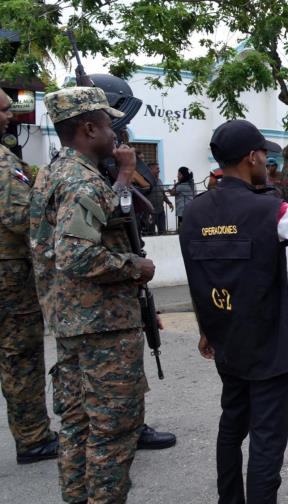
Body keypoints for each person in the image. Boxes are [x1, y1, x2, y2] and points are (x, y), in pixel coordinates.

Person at [180, 119, 288, 504]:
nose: (266, 161)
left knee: (232, 424)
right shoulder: (270, 210)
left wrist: (206, 328)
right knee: (266, 438)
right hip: (267, 344)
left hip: (224, 337)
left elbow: (199, 278)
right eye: (264, 154)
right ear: (251, 157)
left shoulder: (193, 213)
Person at [30, 87, 156, 503]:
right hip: (101, 326)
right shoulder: (81, 181)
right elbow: (78, 255)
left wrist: (122, 177)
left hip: (71, 322)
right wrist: (133, 268)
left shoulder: (55, 172)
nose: (116, 136)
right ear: (88, 129)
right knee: (113, 432)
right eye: (108, 127)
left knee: (77, 427)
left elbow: (109, 217)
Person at [0, 89, 59, 465]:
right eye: (4, 110)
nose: (9, 116)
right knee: (20, 358)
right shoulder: (3, 164)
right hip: (10, 278)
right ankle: (33, 438)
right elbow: (20, 217)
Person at [146, 162, 173, 235]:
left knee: (163, 232)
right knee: (150, 233)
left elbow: (163, 194)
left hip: (161, 211)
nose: (159, 171)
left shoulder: (160, 181)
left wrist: (169, 203)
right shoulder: (145, 182)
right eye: (157, 169)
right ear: (150, 170)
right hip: (150, 212)